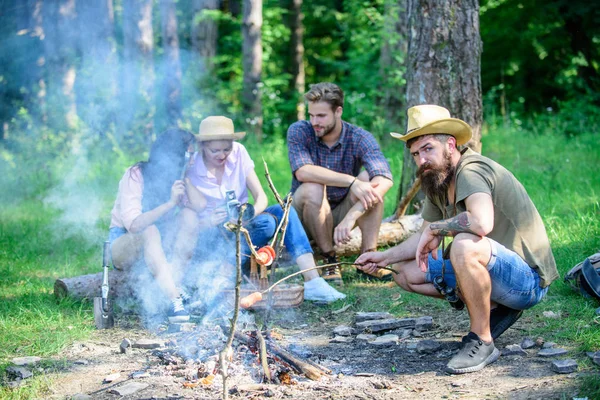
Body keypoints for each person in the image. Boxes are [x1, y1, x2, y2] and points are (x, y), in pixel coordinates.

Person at [356, 104, 559, 374]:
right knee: (404, 272)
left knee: (463, 245)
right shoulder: (437, 179)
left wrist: (437, 229)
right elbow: (422, 238)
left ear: (450, 144)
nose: (421, 160)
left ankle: (482, 340)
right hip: (494, 271)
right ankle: (495, 307)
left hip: (527, 281)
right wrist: (383, 257)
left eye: (428, 149)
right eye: (416, 154)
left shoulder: (471, 170)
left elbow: (481, 222)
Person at [177, 116, 346, 303]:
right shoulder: (190, 167)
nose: (222, 155)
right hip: (212, 237)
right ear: (202, 146)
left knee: (281, 212)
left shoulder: (239, 153)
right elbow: (186, 223)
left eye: (227, 149)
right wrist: (210, 220)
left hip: (244, 228)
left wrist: (246, 215)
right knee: (265, 224)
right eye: (215, 150)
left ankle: (313, 281)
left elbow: (261, 198)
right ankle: (223, 272)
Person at [286, 82, 394, 284]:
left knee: (370, 184)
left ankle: (368, 260)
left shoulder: (359, 137)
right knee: (313, 186)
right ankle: (329, 260)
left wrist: (351, 216)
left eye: (321, 116)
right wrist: (351, 181)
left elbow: (385, 178)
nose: (314, 121)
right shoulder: (299, 131)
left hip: (339, 212)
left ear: (338, 111)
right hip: (303, 215)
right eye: (311, 115)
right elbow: (302, 171)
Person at [108, 128, 206, 324]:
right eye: (190, 154)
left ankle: (174, 284)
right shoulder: (136, 174)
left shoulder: (178, 176)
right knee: (150, 230)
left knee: (189, 216)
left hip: (159, 246)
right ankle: (174, 300)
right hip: (125, 243)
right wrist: (169, 204)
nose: (194, 160)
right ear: (174, 155)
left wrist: (184, 177)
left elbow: (200, 206)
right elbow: (134, 225)